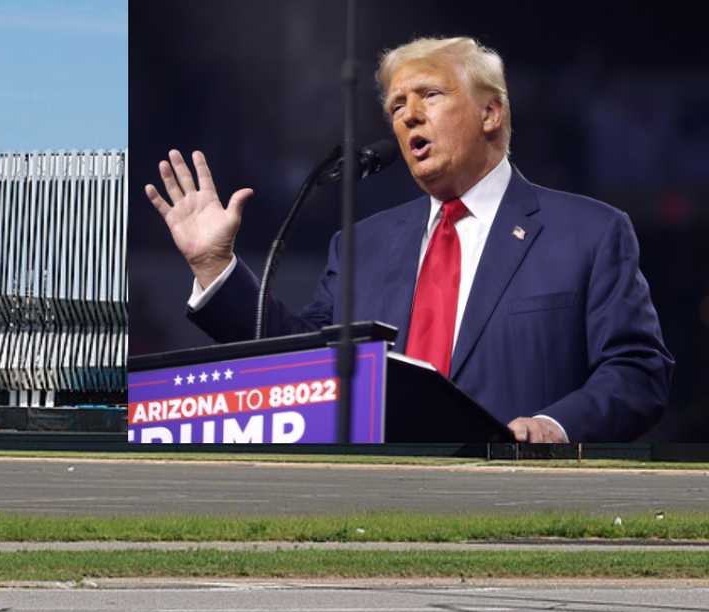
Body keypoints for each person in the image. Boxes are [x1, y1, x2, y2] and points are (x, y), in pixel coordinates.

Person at [144, 36, 673, 443]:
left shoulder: (589, 232)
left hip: (519, 499)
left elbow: (637, 372)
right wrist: (216, 266)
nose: (409, 115)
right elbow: (302, 359)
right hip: (381, 503)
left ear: (491, 113)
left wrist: (553, 427)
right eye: (396, 107)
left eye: (430, 95)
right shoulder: (362, 244)